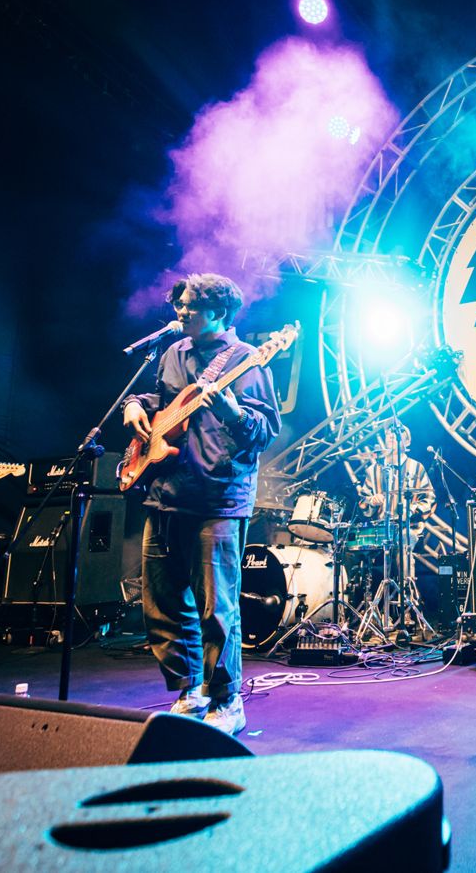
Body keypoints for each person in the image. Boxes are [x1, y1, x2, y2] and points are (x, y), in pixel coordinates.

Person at [123, 272, 281, 737]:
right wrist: (135, 404)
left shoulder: (247, 359)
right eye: (180, 304)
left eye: (191, 306)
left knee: (217, 608)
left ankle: (227, 699)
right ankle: (189, 691)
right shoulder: (173, 352)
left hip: (217, 497)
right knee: (162, 604)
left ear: (219, 312)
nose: (182, 312)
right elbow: (162, 399)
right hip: (164, 493)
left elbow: (263, 432)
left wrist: (231, 411)